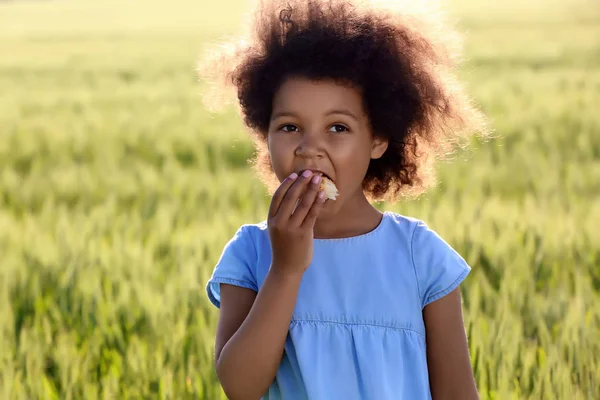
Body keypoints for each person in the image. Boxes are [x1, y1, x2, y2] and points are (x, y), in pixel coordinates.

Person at [200, 0, 488, 398]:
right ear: (263, 134)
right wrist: (285, 270)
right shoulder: (250, 253)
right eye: (289, 126)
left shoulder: (421, 258)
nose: (308, 148)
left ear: (378, 139)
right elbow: (240, 386)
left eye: (337, 127)